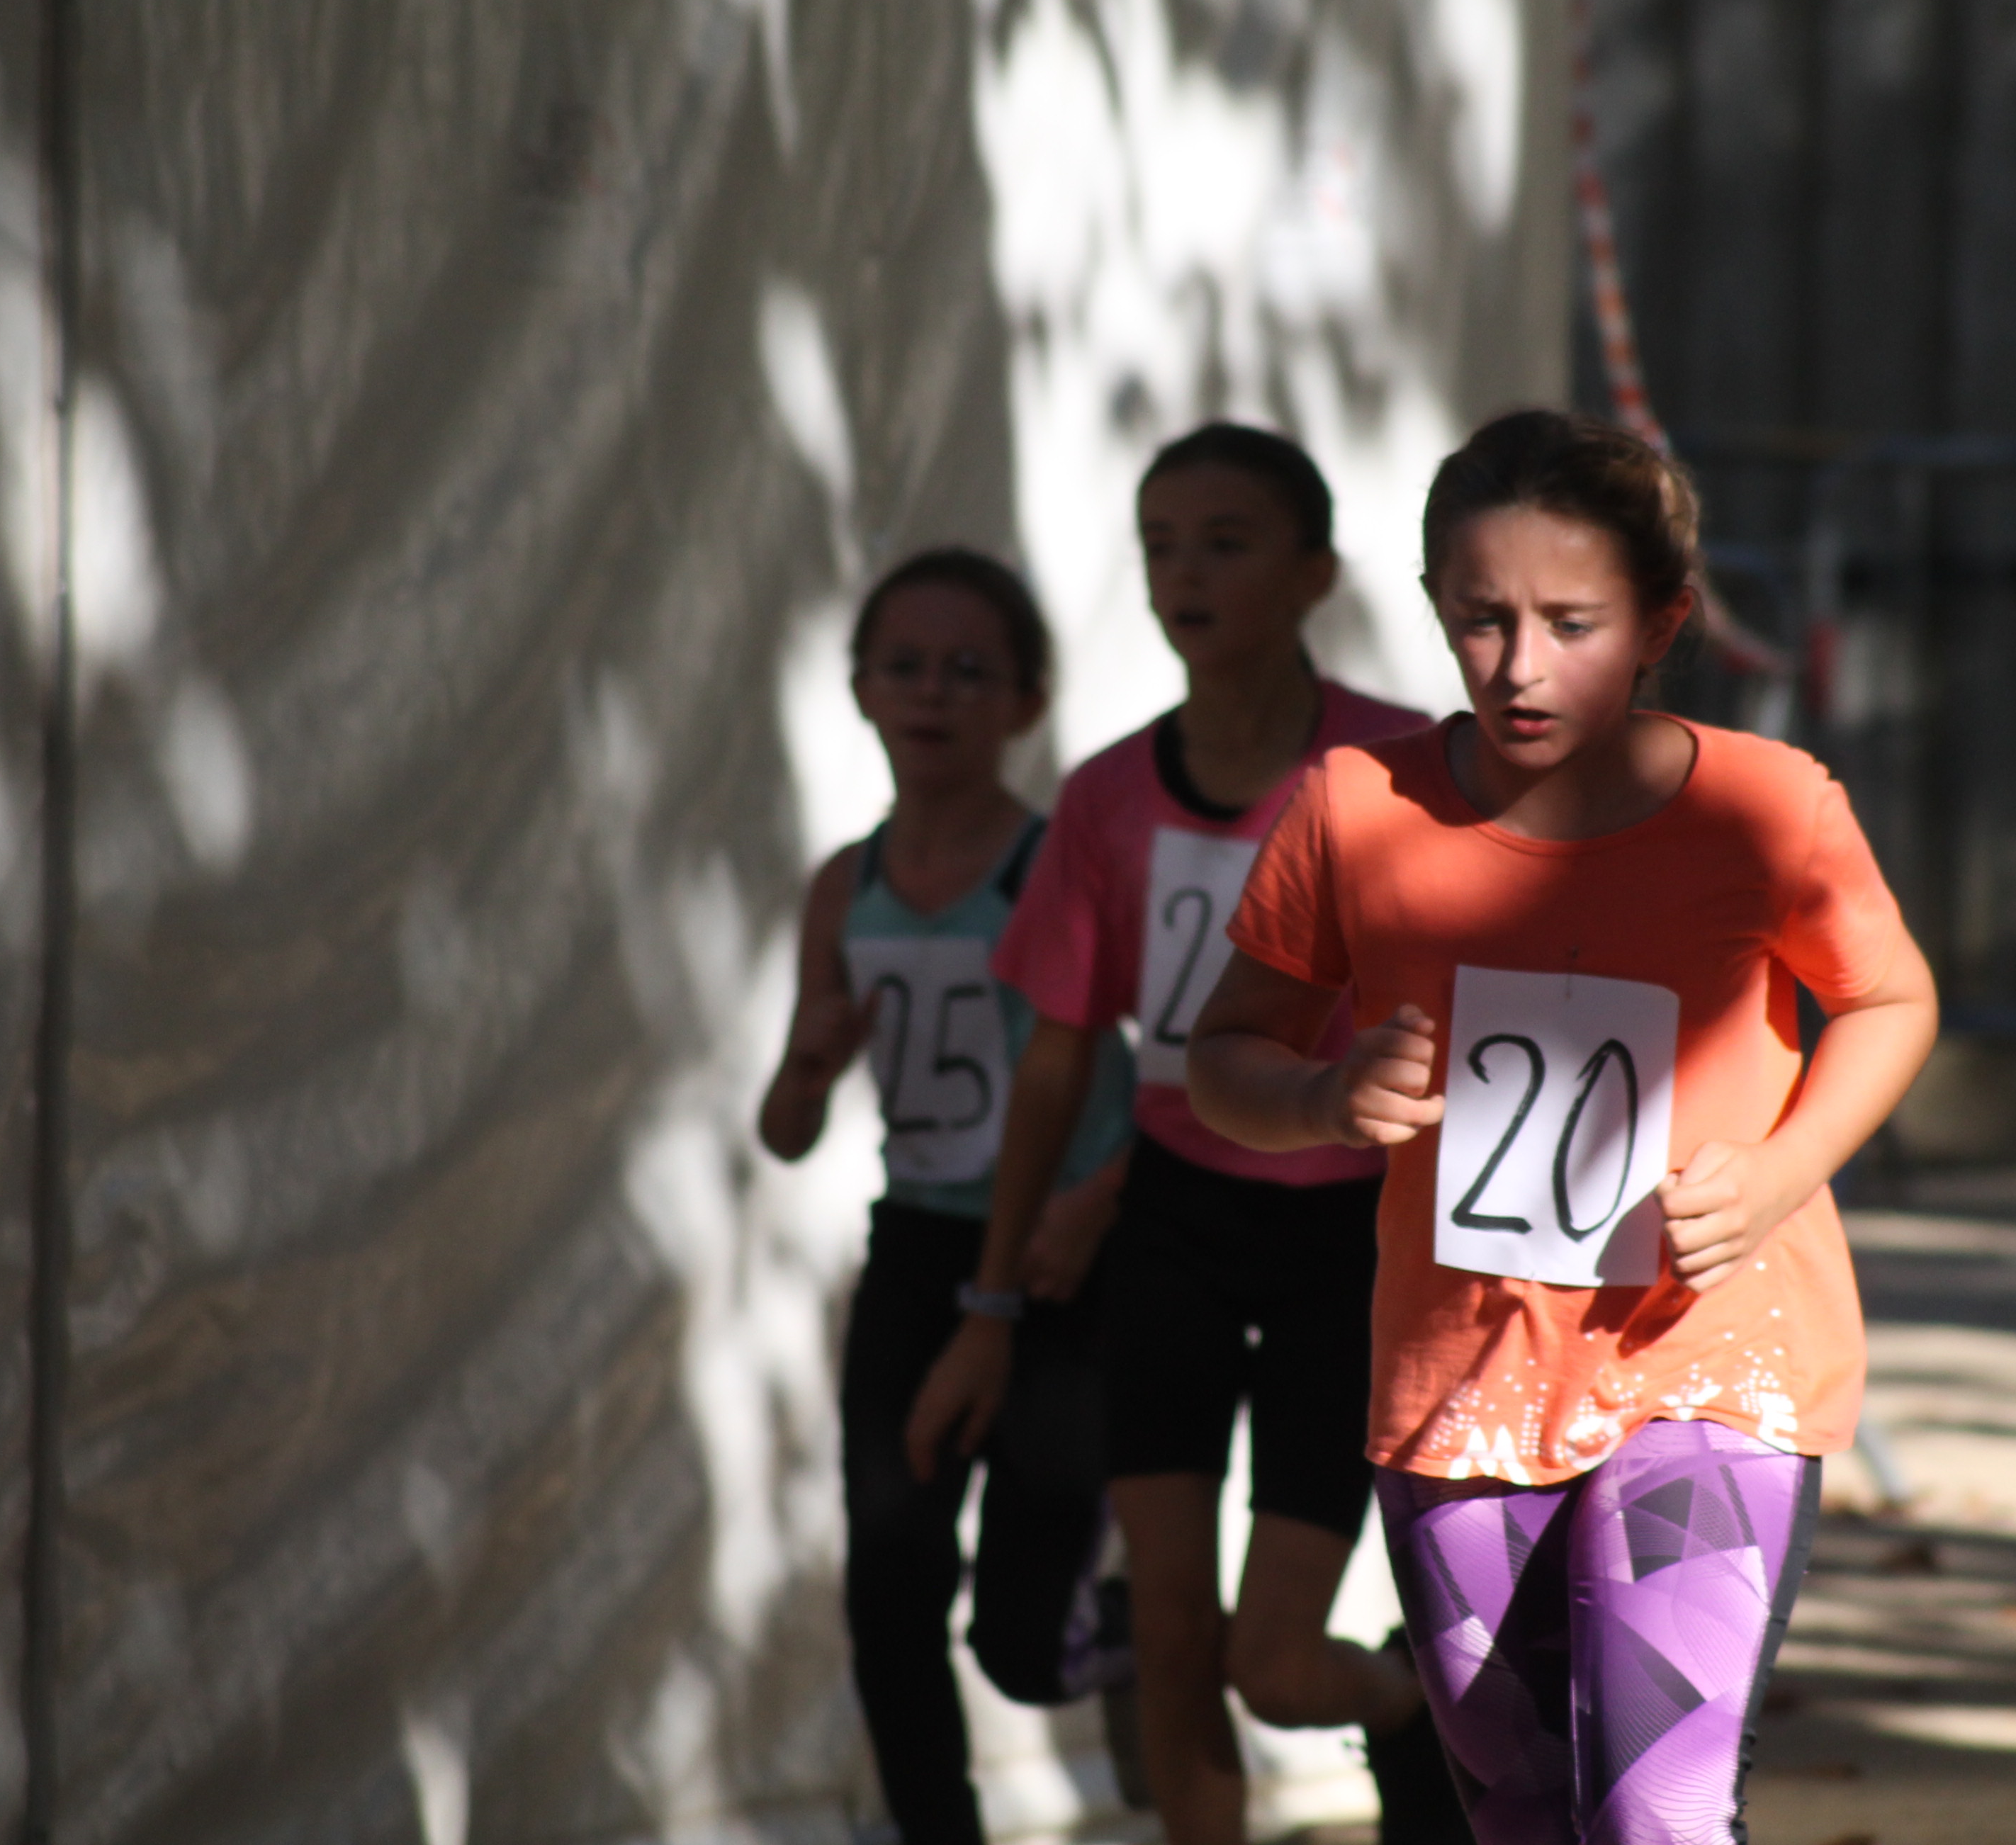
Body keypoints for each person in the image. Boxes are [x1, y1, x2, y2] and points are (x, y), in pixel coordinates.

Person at [1186, 409, 1939, 1845]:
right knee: (1526, 1813)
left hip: (1711, 1362)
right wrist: (1319, 1098)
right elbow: (1222, 1055)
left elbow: (1893, 1000)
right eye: (1482, 619)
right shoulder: (1354, 807)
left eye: (1571, 623)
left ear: (1665, 621)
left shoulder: (1765, 807)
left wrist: (1780, 1172)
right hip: (1457, 1387)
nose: (1520, 665)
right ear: (1433, 605)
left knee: (1655, 1808)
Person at [902, 422, 1460, 1845]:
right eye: (1161, 545)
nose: (1186, 574)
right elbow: (1058, 1057)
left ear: (1315, 572)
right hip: (1176, 1221)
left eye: (1226, 542)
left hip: (1353, 1234)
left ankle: (1403, 1704)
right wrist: (996, 1290)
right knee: (1164, 1624)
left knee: (1273, 1662)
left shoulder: (1405, 765)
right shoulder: (1106, 796)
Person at [759, 548, 1142, 1845]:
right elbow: (787, 1133)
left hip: (1059, 1257)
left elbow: (1170, 1079)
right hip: (920, 1246)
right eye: (906, 666)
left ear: (1027, 702)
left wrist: (1100, 1201)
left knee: (1022, 1645)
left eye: (970, 671)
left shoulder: (1056, 866)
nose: (933, 693)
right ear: (861, 688)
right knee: (889, 1588)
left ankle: (1132, 1636)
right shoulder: (845, 885)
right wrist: (807, 1067)